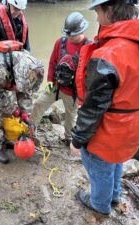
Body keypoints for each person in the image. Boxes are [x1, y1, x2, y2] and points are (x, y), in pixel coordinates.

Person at [70, 0, 139, 217]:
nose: (96, 18)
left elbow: (92, 108)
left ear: (110, 10)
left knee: (98, 164)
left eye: (98, 12)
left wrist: (77, 139)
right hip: (134, 126)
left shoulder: (108, 54)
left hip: (110, 131)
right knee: (116, 160)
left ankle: (100, 204)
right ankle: (114, 195)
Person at [30, 12, 89, 146]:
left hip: (73, 93)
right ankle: (31, 130)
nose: (68, 37)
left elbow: (89, 74)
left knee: (70, 117)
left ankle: (68, 139)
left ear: (81, 30)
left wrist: (83, 96)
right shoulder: (60, 42)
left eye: (71, 35)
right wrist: (50, 80)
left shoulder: (88, 47)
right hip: (55, 86)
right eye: (67, 34)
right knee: (39, 103)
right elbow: (52, 62)